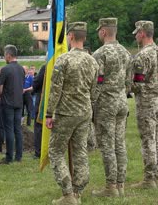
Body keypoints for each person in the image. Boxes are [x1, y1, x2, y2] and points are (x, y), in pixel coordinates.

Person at [46, 22, 98, 204]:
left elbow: (55, 90)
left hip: (66, 113)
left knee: (56, 151)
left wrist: (48, 114)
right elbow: (94, 91)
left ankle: (68, 194)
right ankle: (78, 191)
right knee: (80, 151)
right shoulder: (93, 61)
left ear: (71, 37)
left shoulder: (64, 60)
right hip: (85, 112)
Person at [90, 18, 132, 197]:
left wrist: (91, 103)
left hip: (106, 104)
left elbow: (96, 83)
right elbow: (130, 82)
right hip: (122, 101)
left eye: (99, 30)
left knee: (107, 145)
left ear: (104, 32)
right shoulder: (126, 52)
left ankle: (111, 186)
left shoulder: (100, 54)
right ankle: (120, 183)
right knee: (119, 143)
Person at [131, 20, 158, 189]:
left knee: (148, 140)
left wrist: (126, 85)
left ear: (142, 33)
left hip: (147, 102)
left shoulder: (142, 56)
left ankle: (149, 179)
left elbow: (137, 84)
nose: (136, 37)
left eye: (136, 33)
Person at [0, 45, 25, 164]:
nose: (4, 57)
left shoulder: (5, 69)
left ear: (8, 55)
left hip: (8, 103)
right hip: (19, 102)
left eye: (4, 55)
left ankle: (9, 156)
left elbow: (0, 88)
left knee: (9, 129)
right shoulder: (21, 69)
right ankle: (19, 155)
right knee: (17, 129)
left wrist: (2, 96)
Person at [32, 64, 45, 159]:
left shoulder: (46, 67)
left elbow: (37, 82)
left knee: (39, 127)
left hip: (43, 101)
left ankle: (39, 152)